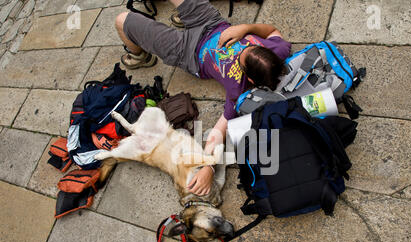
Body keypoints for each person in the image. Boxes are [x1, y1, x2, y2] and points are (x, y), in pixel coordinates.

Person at [115, 0, 291, 196]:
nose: (241, 47)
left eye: (240, 54)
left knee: (122, 21)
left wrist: (209, 167)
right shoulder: (276, 53)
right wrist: (244, 29)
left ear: (248, 77)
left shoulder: (239, 92)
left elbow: (218, 132)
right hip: (211, 22)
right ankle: (181, 16)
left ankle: (139, 55)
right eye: (246, 45)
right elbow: (273, 31)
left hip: (190, 52)